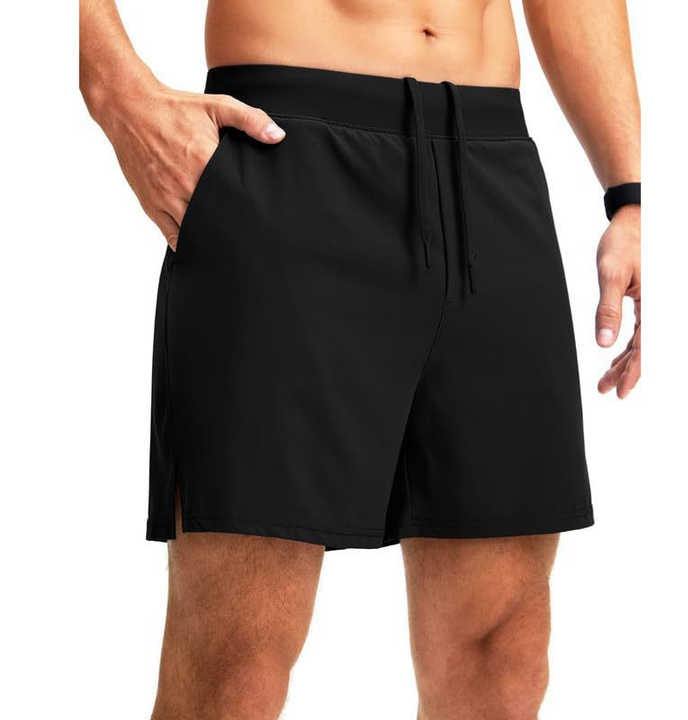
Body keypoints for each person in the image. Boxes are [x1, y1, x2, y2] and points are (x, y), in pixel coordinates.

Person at [79, 0, 641, 717]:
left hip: (490, 167)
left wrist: (631, 195)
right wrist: (116, 90)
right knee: (234, 666)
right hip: (287, 148)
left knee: (500, 656)